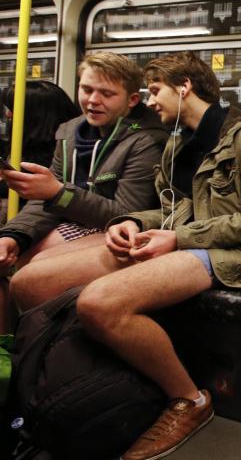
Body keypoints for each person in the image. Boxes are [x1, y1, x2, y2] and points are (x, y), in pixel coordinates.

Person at [9, 51, 241, 460]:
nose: (150, 100)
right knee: (28, 281)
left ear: (185, 88)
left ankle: (190, 399)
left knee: (99, 302)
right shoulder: (179, 144)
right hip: (190, 240)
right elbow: (170, 208)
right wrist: (128, 221)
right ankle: (60, 383)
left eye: (156, 90)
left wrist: (177, 238)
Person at [0, 56, 166, 334]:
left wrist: (59, 194)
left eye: (107, 94)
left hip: (118, 230)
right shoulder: (69, 132)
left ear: (132, 100)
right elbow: (45, 199)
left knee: (34, 269)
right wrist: (14, 235)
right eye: (87, 90)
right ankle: (9, 350)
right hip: (74, 219)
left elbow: (125, 212)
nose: (93, 101)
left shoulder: (146, 140)